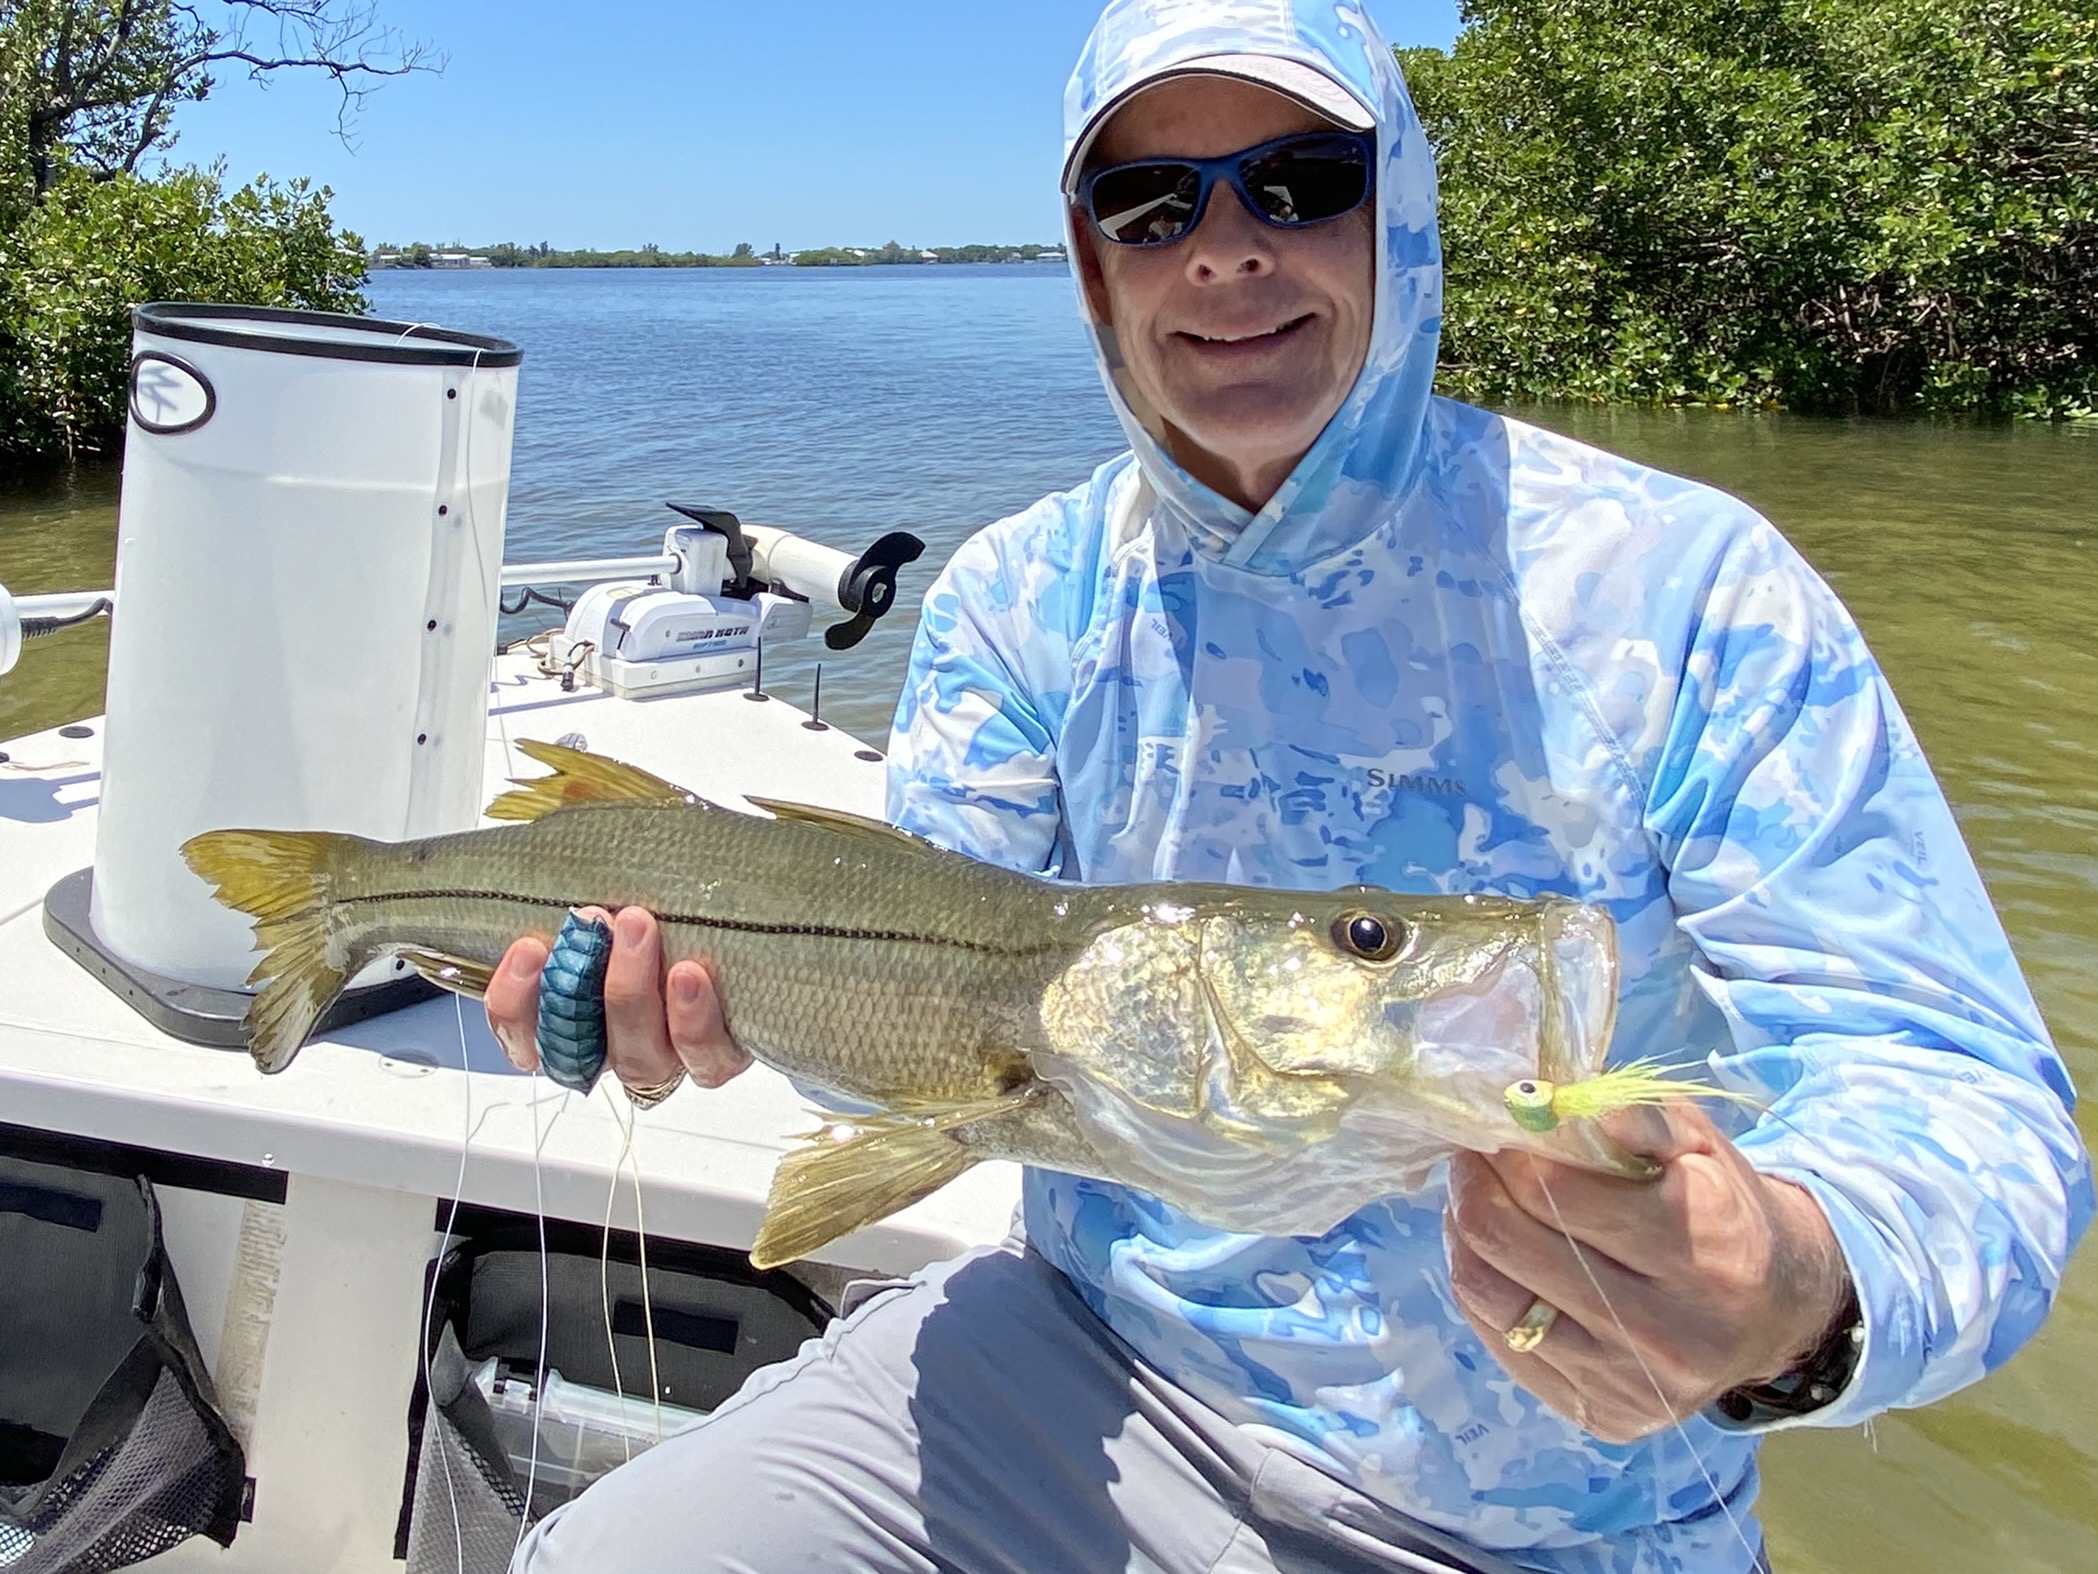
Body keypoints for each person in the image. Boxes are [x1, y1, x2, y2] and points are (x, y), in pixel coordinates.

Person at [496, 3, 2092, 1570]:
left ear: (1398, 206)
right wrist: (685, 1007)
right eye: (1150, 202)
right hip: (1078, 1365)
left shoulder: (1684, 591)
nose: (1223, 248)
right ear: (1089, 264)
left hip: (1558, 1519)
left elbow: (1959, 1096)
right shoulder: (1016, 601)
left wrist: (1795, 1295)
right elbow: (925, 1050)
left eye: (1299, 180)